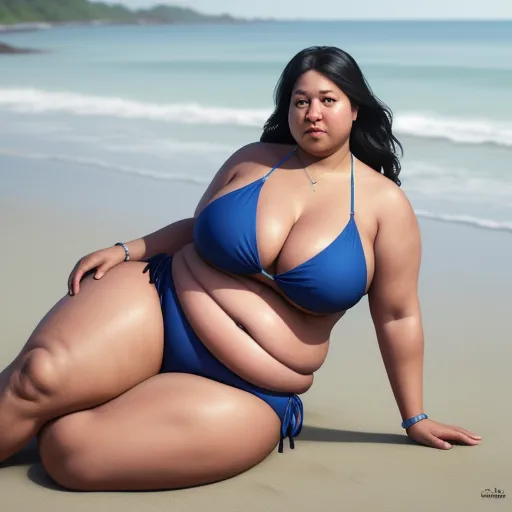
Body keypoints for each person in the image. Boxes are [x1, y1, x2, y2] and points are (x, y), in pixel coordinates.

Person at [0, 46, 481, 491]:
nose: (312, 113)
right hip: (161, 302)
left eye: (327, 100)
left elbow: (397, 316)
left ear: (355, 108)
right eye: (300, 101)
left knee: (71, 454)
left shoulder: (386, 206)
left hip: (253, 386)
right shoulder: (252, 159)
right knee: (36, 378)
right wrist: (129, 249)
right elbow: (198, 225)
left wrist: (414, 417)